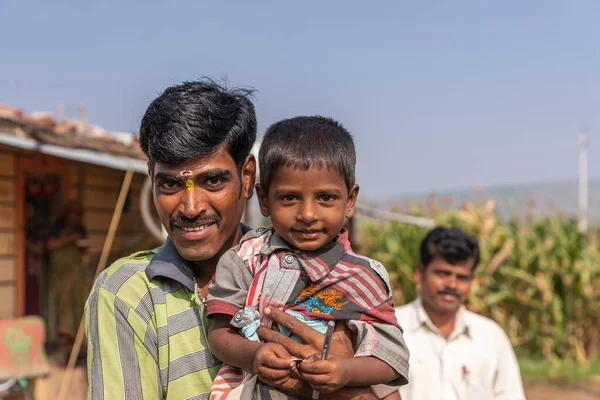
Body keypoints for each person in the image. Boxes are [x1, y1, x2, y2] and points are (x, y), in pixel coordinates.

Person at [85, 79, 387, 400]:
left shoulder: (324, 273)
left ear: (246, 178)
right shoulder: (127, 294)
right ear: (152, 180)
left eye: (213, 180)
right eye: (170, 185)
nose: (190, 208)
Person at [206, 116, 409, 399]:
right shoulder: (246, 258)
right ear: (264, 199)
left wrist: (346, 371)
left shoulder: (362, 276)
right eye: (289, 198)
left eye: (326, 198)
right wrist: (255, 355)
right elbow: (219, 336)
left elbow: (391, 357)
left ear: (350, 201)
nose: (308, 215)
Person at [394, 226, 526, 400]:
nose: (452, 284)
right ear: (420, 273)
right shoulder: (391, 330)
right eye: (443, 273)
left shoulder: (491, 337)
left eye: (462, 277)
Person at [47, 200, 88, 346]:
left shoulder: (80, 228)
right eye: (72, 214)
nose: (74, 217)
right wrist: (69, 239)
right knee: (62, 299)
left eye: (77, 214)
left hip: (75, 268)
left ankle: (79, 335)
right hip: (60, 269)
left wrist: (80, 243)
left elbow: (84, 248)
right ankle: (63, 336)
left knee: (78, 299)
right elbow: (50, 245)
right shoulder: (58, 227)